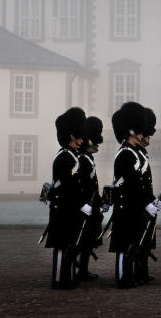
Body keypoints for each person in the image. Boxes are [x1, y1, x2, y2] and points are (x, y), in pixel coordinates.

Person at [108, 101, 161, 288]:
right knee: (125, 245)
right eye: (139, 130)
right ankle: (124, 277)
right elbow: (131, 184)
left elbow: (143, 184)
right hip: (127, 206)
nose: (142, 134)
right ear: (131, 131)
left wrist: (151, 201)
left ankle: (137, 274)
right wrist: (146, 202)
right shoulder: (125, 154)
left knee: (137, 241)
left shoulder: (136, 153)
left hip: (136, 205)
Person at [46, 106, 89, 290]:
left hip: (71, 207)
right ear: (70, 135)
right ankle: (59, 279)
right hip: (64, 207)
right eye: (78, 135)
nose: (81, 139)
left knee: (71, 243)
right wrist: (80, 203)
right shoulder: (65, 158)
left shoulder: (73, 156)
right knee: (63, 246)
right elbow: (67, 187)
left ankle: (68, 276)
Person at [75, 115, 104, 281]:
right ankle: (79, 269)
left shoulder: (87, 159)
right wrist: (83, 204)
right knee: (82, 240)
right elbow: (79, 186)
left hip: (91, 205)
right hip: (83, 207)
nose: (97, 143)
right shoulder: (82, 160)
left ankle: (83, 269)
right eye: (94, 140)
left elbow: (93, 186)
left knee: (87, 241)